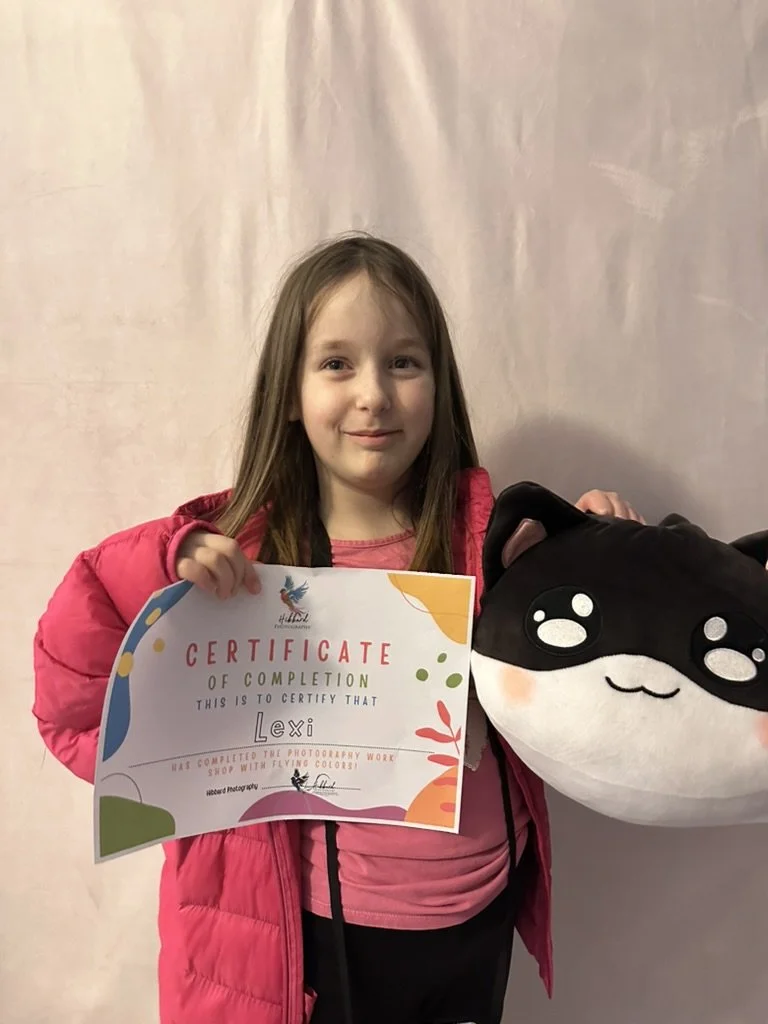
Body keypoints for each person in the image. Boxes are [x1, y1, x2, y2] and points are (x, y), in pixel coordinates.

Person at [32, 233, 642, 1024]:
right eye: (336, 363)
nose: (373, 395)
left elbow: (602, 702)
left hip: (475, 925)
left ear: (439, 383)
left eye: (403, 362)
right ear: (289, 391)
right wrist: (163, 565)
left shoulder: (493, 541)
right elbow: (73, 707)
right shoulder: (230, 560)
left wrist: (600, 559)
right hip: (306, 947)